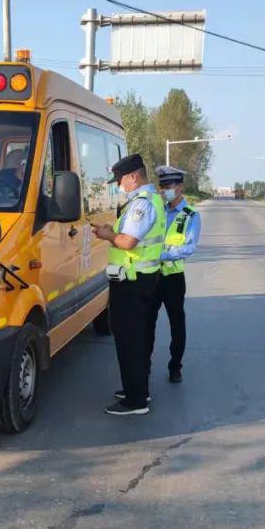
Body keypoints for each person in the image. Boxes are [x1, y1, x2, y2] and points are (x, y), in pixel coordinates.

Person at [91, 153, 166, 416]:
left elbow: (127, 242)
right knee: (139, 337)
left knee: (130, 339)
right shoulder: (148, 200)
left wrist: (107, 235)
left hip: (133, 283)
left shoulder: (141, 204)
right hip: (141, 280)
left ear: (133, 177)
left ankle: (135, 401)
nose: (118, 185)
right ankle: (137, 389)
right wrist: (113, 231)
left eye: (121, 180)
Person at [150, 165, 201, 383]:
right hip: (151, 276)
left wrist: (163, 255)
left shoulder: (190, 215)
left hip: (173, 278)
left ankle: (175, 366)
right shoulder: (158, 211)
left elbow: (189, 247)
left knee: (177, 324)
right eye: (161, 187)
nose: (163, 191)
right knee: (146, 323)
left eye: (168, 186)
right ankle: (144, 366)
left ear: (179, 187)